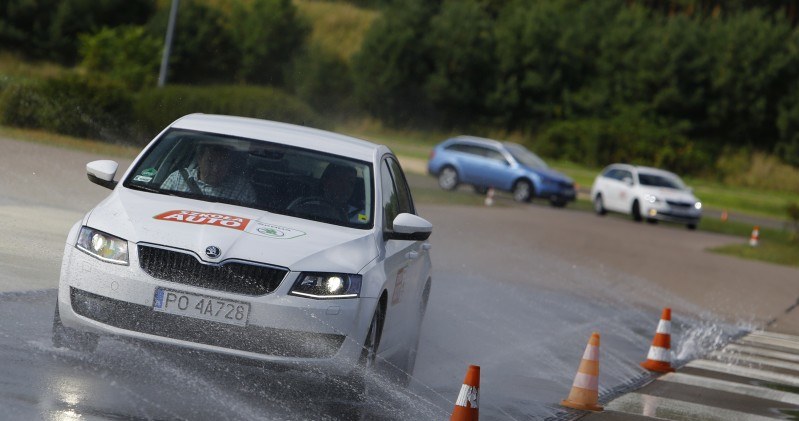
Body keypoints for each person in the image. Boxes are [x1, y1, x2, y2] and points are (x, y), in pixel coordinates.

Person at [160, 143, 256, 205]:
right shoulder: (177, 179)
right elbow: (158, 205)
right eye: (210, 162)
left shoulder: (242, 189)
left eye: (222, 163)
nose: (215, 169)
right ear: (199, 159)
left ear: (229, 165)